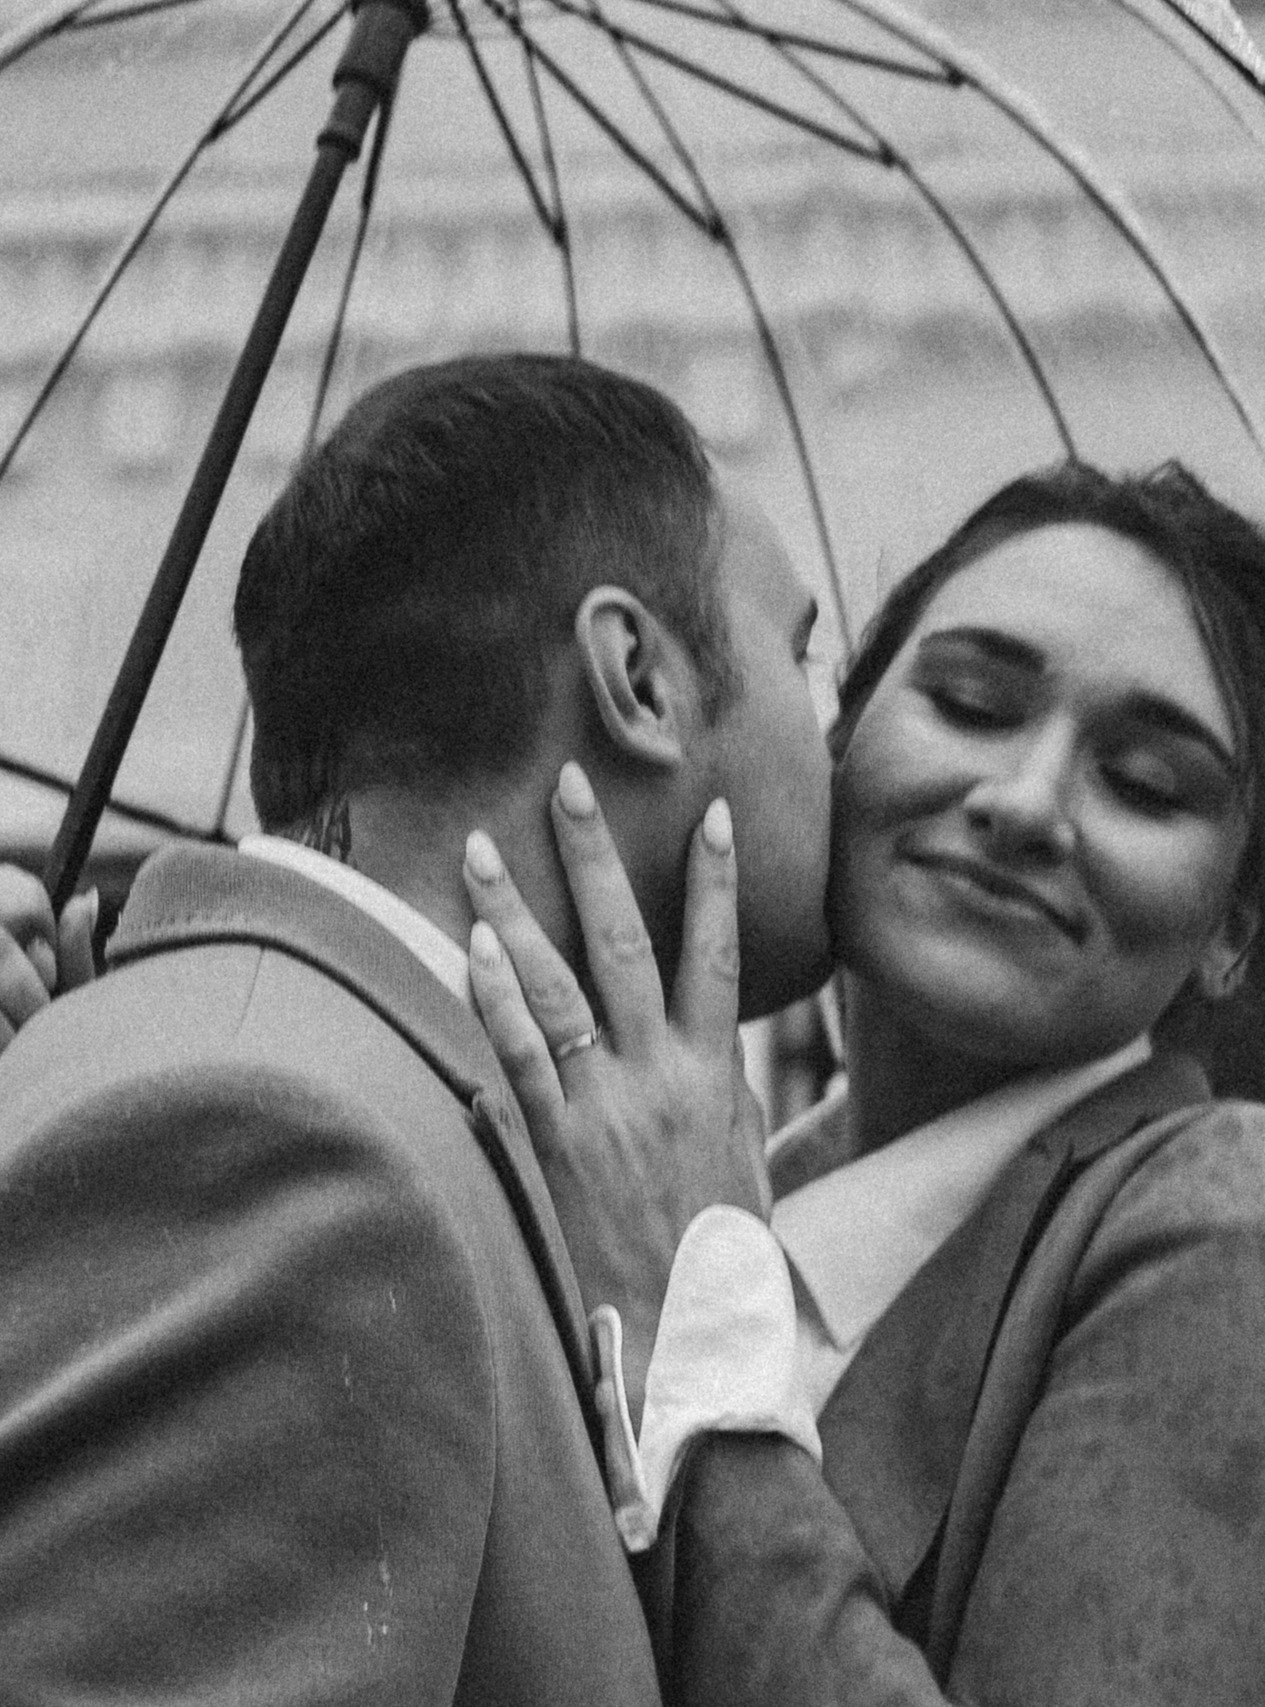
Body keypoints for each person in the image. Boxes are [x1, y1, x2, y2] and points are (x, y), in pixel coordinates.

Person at [461, 461, 1265, 1706]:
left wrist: (699, 1325)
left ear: (1233, 930)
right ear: (838, 742)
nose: (1026, 804)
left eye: (1146, 784)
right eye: (971, 703)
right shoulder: (712, 1196)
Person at [0, 352, 836, 1702]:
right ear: (637, 675)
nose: (837, 735)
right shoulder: (289, 1148)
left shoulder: (364, 1105)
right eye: (805, 655)